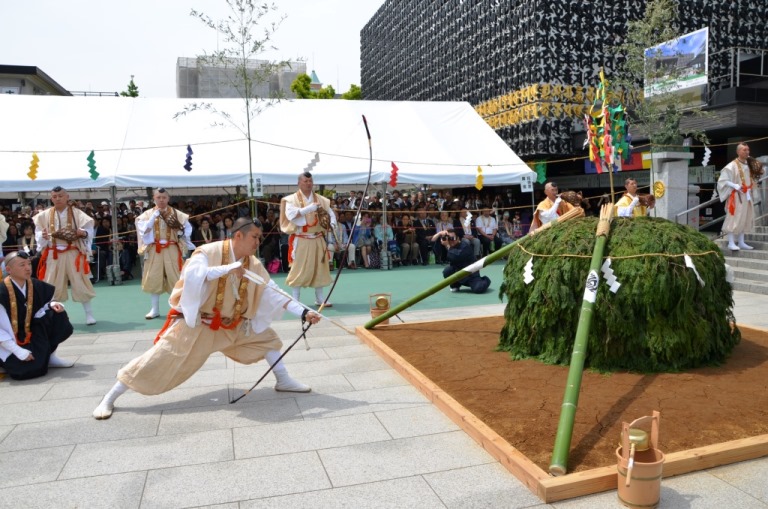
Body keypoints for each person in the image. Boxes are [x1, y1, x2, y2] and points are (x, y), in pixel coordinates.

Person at [92, 217, 319, 420]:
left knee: (267, 339)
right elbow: (193, 275)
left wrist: (303, 311)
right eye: (255, 237)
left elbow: (272, 291)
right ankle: (110, 398)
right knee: (158, 358)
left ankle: (283, 380)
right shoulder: (207, 252)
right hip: (200, 324)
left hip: (232, 325)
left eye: (259, 238)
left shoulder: (254, 264)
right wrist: (228, 268)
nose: (257, 243)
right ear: (238, 235)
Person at [0, 251, 74, 380]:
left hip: (30, 333)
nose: (28, 268)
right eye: (22, 265)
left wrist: (54, 304)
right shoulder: (1, 292)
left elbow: (45, 303)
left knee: (57, 315)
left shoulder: (35, 285)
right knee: (24, 372)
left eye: (29, 263)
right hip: (7, 341)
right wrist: (18, 351)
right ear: (8, 269)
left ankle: (51, 356)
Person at [33, 186, 97, 325]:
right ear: (51, 198)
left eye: (61, 196)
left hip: (73, 252)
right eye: (55, 196)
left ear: (67, 197)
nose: (58, 199)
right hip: (53, 253)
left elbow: (89, 230)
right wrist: (42, 236)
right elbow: (38, 234)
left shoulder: (77, 213)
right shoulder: (43, 215)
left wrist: (83, 233)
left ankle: (89, 315)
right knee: (51, 284)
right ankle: (54, 317)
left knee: (80, 282)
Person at [136, 188, 195, 319]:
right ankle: (155, 309)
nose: (161, 200)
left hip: (172, 248)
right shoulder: (146, 214)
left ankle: (178, 307)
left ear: (168, 199)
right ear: (154, 199)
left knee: (175, 277)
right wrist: (153, 218)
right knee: (154, 277)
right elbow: (143, 231)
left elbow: (186, 232)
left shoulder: (178, 214)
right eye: (158, 197)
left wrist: (178, 230)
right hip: (154, 249)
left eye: (164, 197)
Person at [279, 172, 337, 307]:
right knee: (298, 268)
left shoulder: (321, 199)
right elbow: (291, 215)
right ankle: (295, 299)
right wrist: (308, 209)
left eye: (310, 181)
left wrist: (332, 223)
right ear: (299, 183)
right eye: (305, 181)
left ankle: (320, 299)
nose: (308, 184)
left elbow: (330, 213)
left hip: (317, 238)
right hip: (301, 239)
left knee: (320, 267)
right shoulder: (291, 199)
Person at [718, 143, 758, 251]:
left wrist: (750, 187)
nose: (747, 152)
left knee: (745, 217)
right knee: (733, 218)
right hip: (736, 195)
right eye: (744, 150)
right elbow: (722, 180)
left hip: (746, 195)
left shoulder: (748, 164)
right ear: (738, 151)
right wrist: (734, 185)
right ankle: (731, 242)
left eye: (748, 150)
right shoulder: (732, 165)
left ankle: (741, 242)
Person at [437, 229, 491, 294]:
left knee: (478, 289)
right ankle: (455, 285)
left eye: (452, 238)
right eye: (448, 238)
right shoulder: (449, 246)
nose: (450, 240)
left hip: (470, 274)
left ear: (458, 238)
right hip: (458, 272)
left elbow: (456, 256)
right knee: (447, 271)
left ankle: (485, 280)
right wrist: (441, 236)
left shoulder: (465, 246)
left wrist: (447, 246)